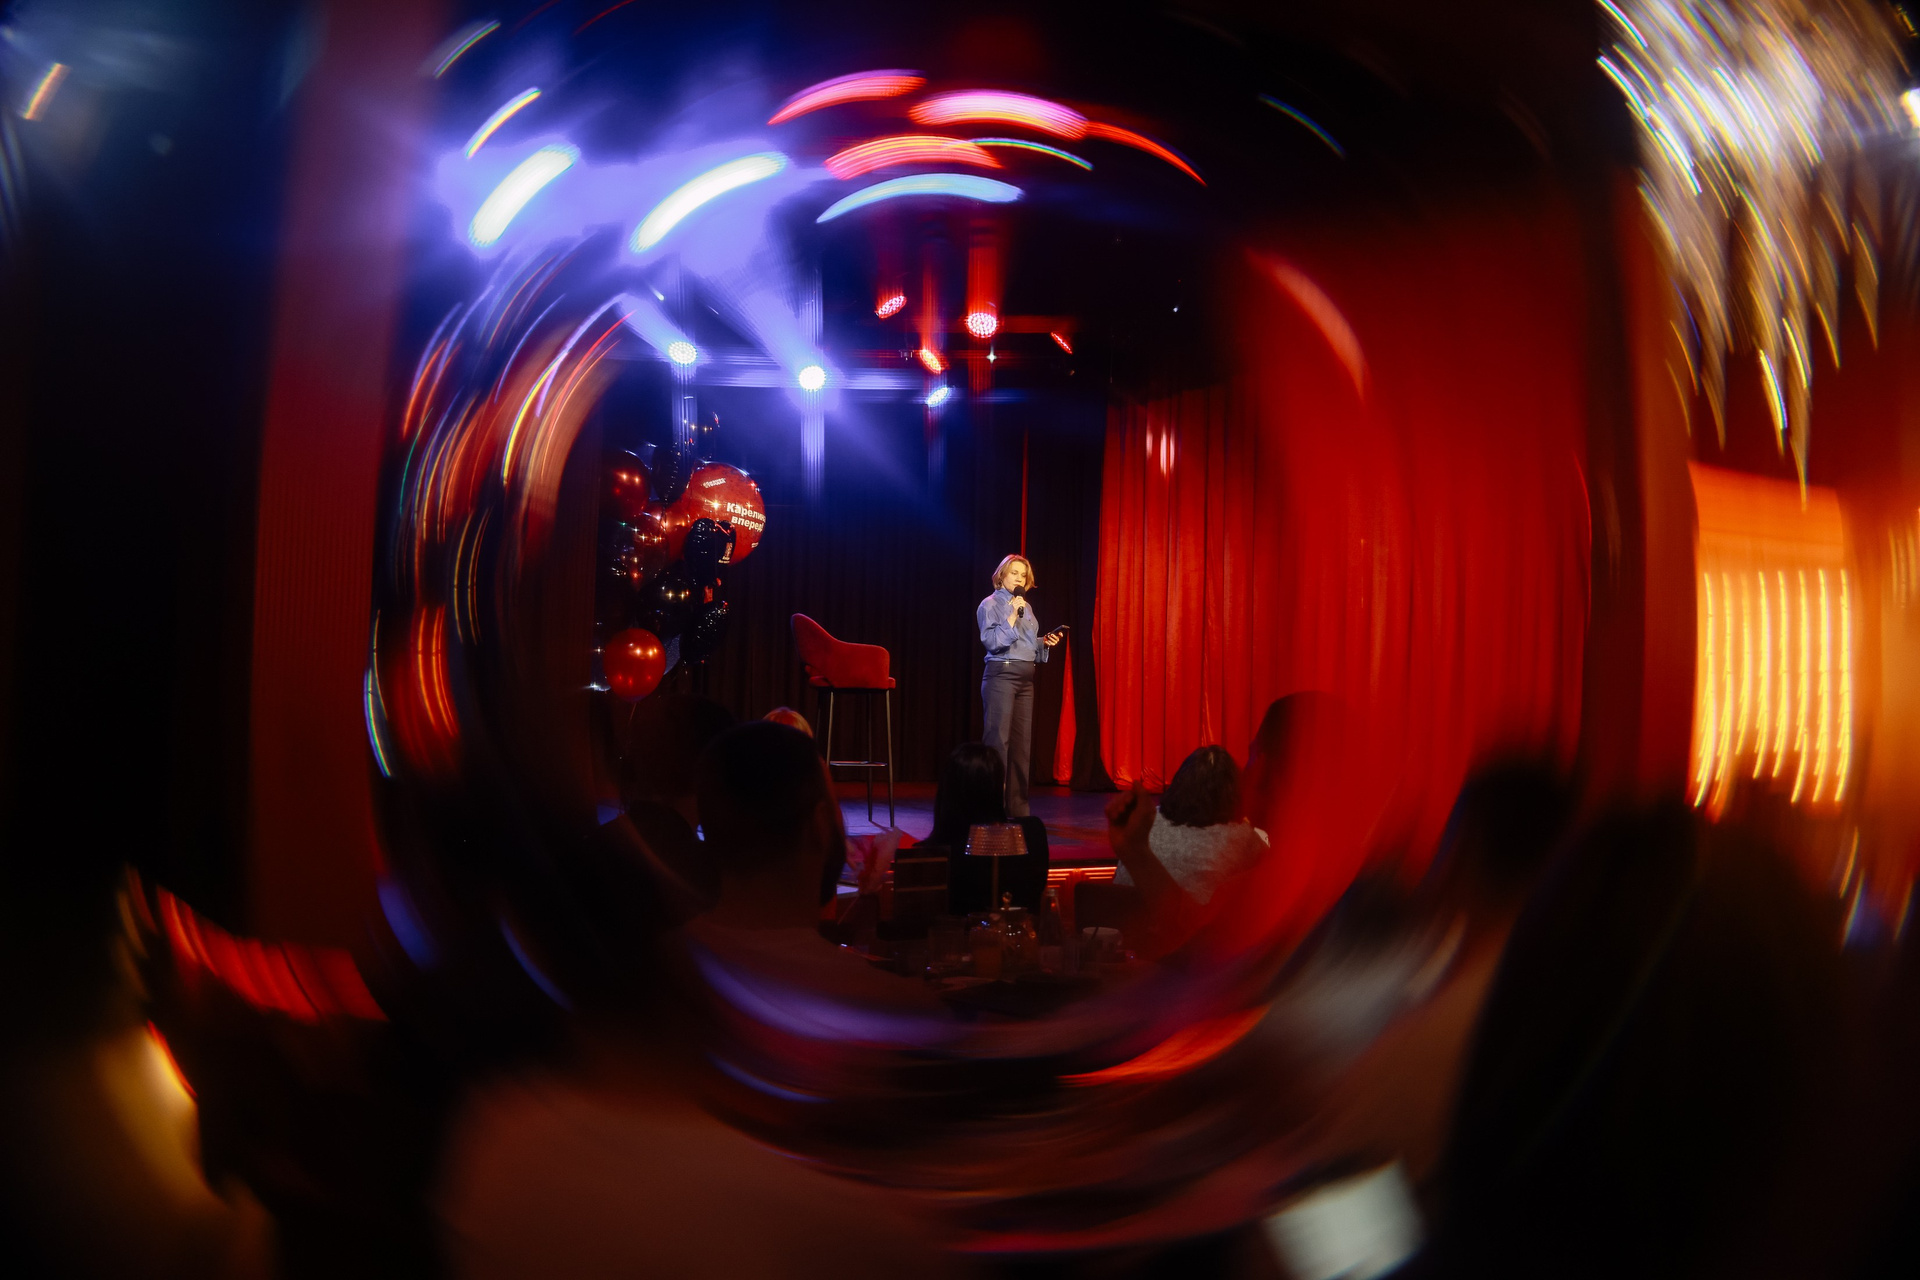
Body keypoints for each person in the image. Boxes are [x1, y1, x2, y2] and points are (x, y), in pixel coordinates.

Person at [1113, 745, 1269, 907]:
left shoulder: (1144, 819)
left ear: (1179, 782)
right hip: (1192, 922)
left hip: (1124, 917)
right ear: (1234, 793)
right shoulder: (1245, 838)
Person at [976, 554, 1062, 818]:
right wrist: (1012, 616)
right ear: (1001, 575)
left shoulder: (1027, 607)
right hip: (1001, 676)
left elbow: (1025, 644)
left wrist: (1043, 642)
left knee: (1021, 747)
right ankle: (991, 808)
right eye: (1014, 573)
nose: (1019, 579)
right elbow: (992, 642)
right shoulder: (990, 604)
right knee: (997, 744)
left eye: (1023, 575)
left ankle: (1018, 809)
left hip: (1026, 679)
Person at [920, 743, 1049, 914]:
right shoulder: (1033, 832)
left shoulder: (934, 855)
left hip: (962, 931)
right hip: (1021, 929)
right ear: (1000, 786)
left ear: (947, 791)